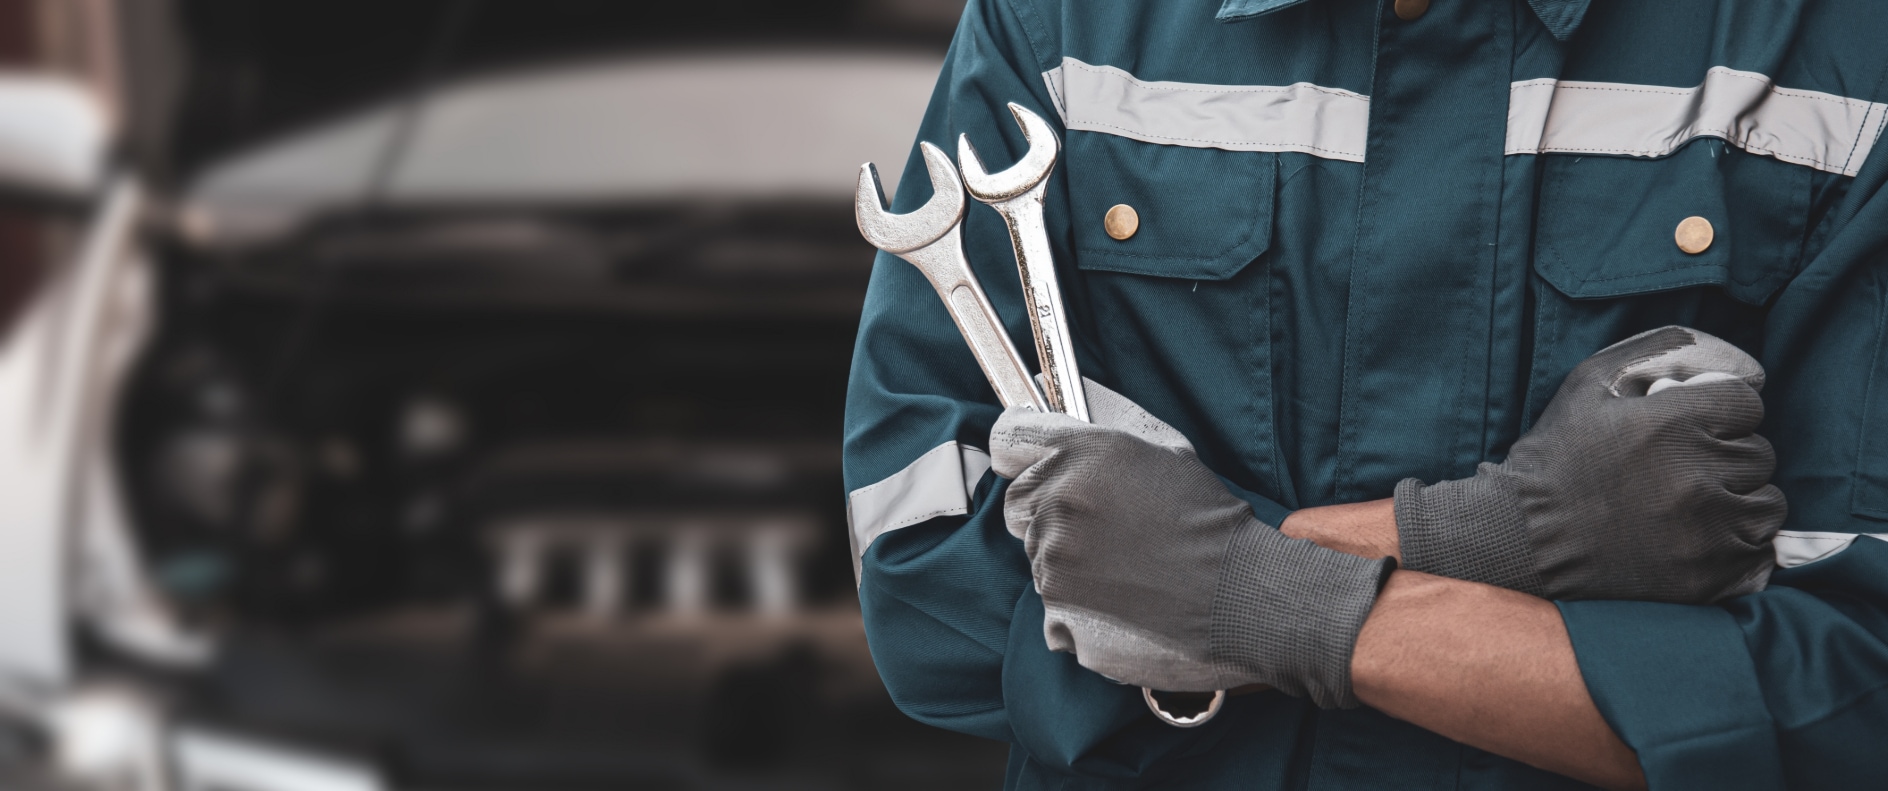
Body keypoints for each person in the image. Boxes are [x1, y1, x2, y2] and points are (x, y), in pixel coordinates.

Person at [842, 1, 1888, 788]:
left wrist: (1224, 581)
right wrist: (1495, 538)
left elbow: (1853, 695)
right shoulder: (1063, 25)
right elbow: (933, 585)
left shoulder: (1840, 59)